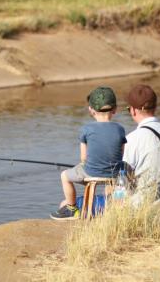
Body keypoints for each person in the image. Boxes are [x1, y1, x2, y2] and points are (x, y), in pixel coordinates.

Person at [50, 86, 127, 220]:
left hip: (91, 172)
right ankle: (117, 204)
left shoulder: (86, 129)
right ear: (115, 109)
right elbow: (121, 155)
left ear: (91, 110)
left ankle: (72, 209)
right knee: (126, 169)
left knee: (64, 176)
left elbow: (84, 158)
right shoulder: (120, 129)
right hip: (115, 173)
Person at [122, 84, 160, 206]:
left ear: (133, 110)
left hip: (140, 207)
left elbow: (123, 181)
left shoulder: (131, 139)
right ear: (155, 108)